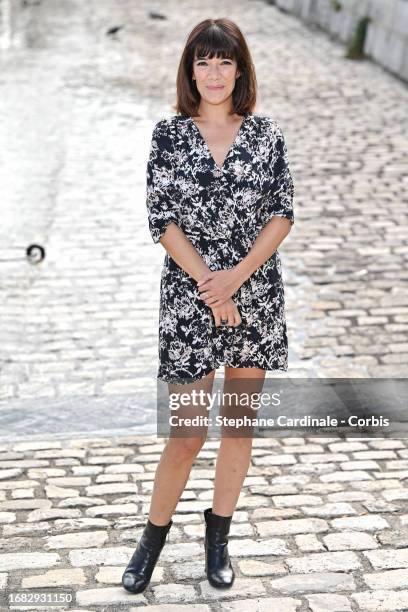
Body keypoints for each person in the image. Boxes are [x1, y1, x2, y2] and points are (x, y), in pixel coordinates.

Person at [122, 17, 295, 594]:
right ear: (189, 70)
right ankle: (152, 537)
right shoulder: (169, 136)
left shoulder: (266, 135)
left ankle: (218, 538)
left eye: (225, 62)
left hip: (255, 299)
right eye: (204, 62)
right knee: (188, 433)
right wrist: (209, 286)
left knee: (238, 430)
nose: (214, 73)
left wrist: (237, 280)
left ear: (240, 69)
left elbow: (282, 214)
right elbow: (161, 220)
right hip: (190, 301)